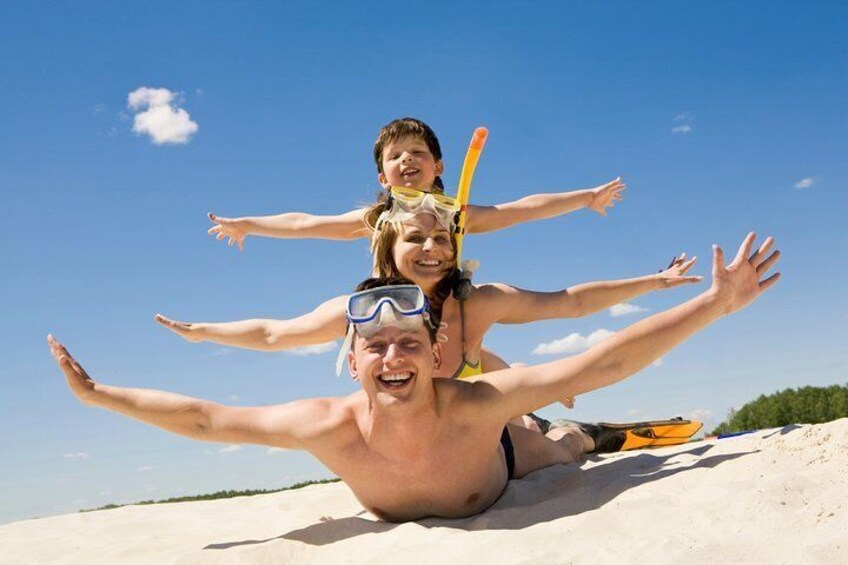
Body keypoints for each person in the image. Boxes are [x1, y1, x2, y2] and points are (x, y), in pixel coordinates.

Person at [50, 233, 780, 522]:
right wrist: (96, 394)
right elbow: (207, 420)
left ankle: (580, 434)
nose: (392, 357)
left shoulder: (473, 401)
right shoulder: (327, 426)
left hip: (495, 456)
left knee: (559, 446)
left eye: (408, 342)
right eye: (377, 347)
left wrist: (712, 303)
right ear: (353, 360)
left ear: (436, 356)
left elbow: (602, 359)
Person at [205, 118, 626, 250]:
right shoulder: (376, 219)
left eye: (418, 153)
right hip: (394, 315)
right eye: (395, 156)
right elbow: (303, 223)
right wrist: (246, 224)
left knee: (489, 358)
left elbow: (523, 208)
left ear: (438, 166)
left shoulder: (455, 215)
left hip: (447, 309)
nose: (407, 159)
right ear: (381, 176)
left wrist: (586, 197)